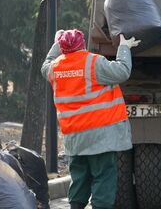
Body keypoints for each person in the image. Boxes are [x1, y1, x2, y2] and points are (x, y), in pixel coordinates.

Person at [41, 29, 141, 209]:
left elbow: (45, 65)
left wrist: (57, 44)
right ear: (83, 44)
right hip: (100, 136)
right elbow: (122, 71)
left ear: (62, 48)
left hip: (74, 138)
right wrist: (124, 48)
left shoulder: (55, 68)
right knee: (103, 177)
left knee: (80, 177)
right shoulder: (93, 63)